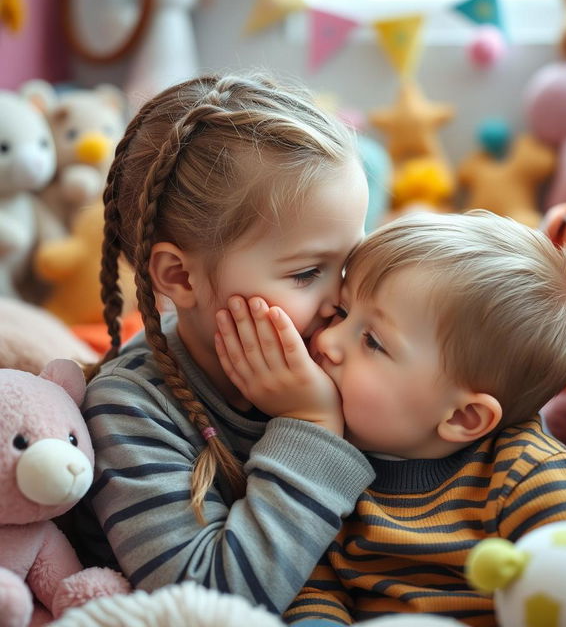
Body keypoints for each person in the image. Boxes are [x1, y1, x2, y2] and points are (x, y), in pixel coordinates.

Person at [73, 73, 376, 614]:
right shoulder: (130, 408)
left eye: (349, 262)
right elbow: (209, 602)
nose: (341, 300)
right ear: (181, 279)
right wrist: (311, 425)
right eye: (307, 273)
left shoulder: (338, 345)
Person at [215, 211, 566, 627]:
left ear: (465, 417)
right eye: (342, 313)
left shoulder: (526, 472)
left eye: (373, 341)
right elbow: (311, 587)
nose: (325, 341)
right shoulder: (323, 465)